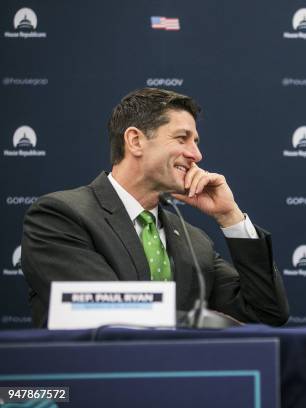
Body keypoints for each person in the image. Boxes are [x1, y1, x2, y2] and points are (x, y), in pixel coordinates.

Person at [22, 88, 289, 327]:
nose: (196, 155)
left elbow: (267, 313)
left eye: (196, 142)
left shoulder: (195, 241)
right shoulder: (60, 216)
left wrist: (229, 216)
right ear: (135, 141)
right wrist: (205, 322)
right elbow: (105, 313)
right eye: (182, 138)